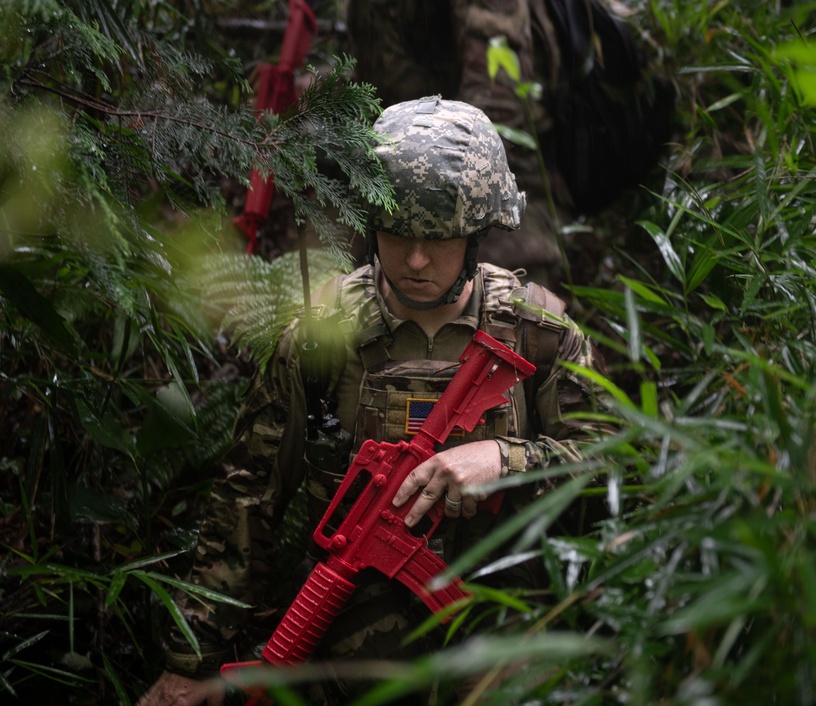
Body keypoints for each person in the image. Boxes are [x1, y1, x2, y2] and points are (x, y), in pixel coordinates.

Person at [136, 96, 611, 705]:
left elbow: (611, 467)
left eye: (437, 238)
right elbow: (248, 493)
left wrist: (503, 461)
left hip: (504, 645)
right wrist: (193, 659)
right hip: (355, 662)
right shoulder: (323, 334)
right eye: (397, 233)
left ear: (475, 235)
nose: (415, 260)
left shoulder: (536, 333)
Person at [345, 0, 573, 289]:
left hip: (494, 157)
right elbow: (377, 70)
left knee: (504, 287)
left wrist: (437, 177)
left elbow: (498, 99)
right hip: (391, 155)